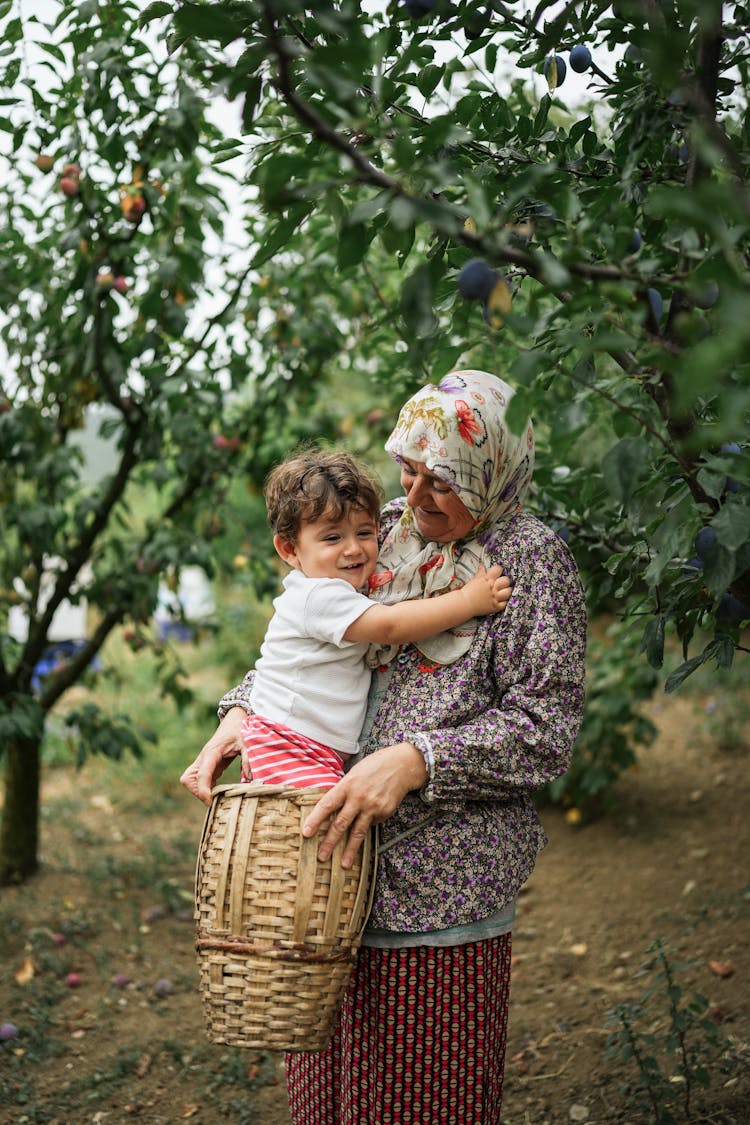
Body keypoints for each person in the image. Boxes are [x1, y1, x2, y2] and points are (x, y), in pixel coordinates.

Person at [181, 369, 587, 1125]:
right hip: (326, 878)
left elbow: (546, 727)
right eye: (409, 467)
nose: (419, 493)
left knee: (417, 1100)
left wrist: (417, 758)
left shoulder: (531, 564)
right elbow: (306, 645)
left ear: (494, 470)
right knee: (330, 1099)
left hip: (435, 884)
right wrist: (240, 715)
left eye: (445, 478)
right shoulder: (386, 531)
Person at [238, 448, 511, 789]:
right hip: (290, 743)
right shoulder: (318, 597)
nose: (354, 548)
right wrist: (468, 600)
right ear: (289, 550)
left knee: (327, 829)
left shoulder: (336, 589)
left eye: (365, 533)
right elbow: (391, 625)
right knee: (320, 832)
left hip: (305, 744)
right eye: (333, 538)